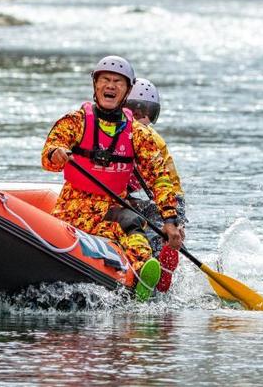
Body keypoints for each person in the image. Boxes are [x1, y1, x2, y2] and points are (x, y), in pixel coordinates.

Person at [41, 56, 184, 302]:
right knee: (127, 220)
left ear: (126, 91)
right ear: (95, 86)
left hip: (113, 206)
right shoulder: (75, 121)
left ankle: (141, 284)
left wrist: (170, 219)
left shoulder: (138, 134)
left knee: (136, 232)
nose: (111, 86)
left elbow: (159, 178)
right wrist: (56, 154)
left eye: (118, 82)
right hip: (74, 205)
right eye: (105, 80)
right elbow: (50, 151)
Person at [124, 78, 186, 292]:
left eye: (149, 112)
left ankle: (154, 275)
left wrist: (172, 219)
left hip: (167, 201)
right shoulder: (122, 133)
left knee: (153, 237)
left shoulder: (145, 138)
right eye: (137, 110)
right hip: (150, 197)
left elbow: (158, 181)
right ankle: (157, 268)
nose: (144, 117)